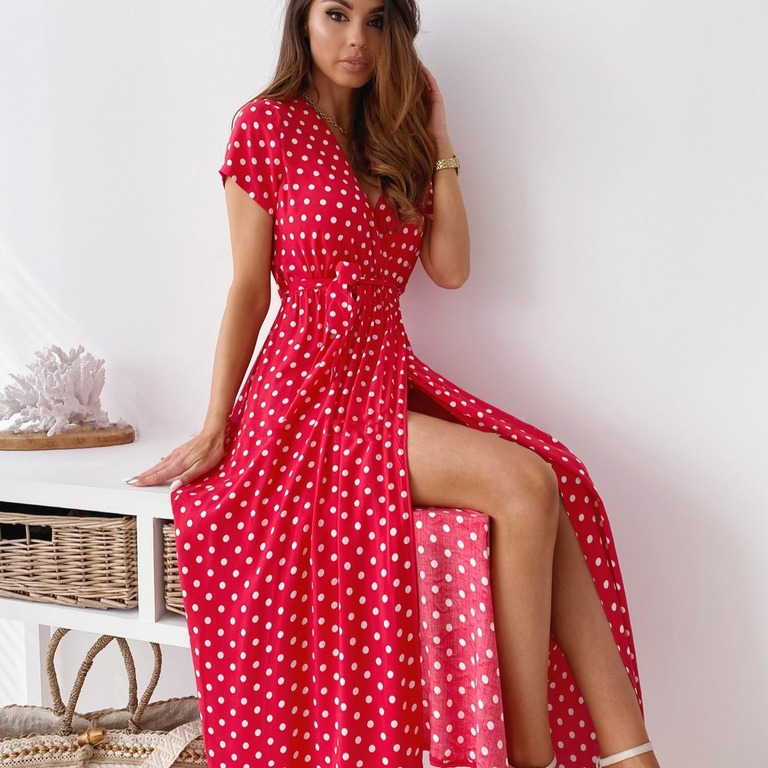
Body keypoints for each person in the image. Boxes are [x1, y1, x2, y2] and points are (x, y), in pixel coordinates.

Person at [124, 1, 661, 767]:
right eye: (337, 15)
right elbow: (248, 290)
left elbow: (451, 269)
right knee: (525, 484)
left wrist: (438, 139)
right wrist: (217, 423)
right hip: (305, 396)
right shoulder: (266, 126)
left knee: (555, 478)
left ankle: (630, 754)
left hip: (381, 376)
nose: (356, 39)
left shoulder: (394, 138)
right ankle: (535, 754)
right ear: (303, 22)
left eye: (376, 21)